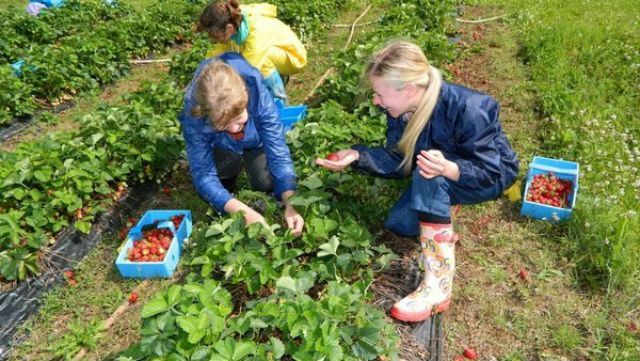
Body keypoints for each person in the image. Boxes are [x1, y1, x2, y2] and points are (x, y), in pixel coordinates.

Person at [315, 40, 519, 322]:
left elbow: (493, 171)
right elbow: (400, 162)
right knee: (400, 224)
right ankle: (442, 207)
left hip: (485, 175)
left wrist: (450, 169)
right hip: (443, 171)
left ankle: (437, 287)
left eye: (379, 93)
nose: (376, 101)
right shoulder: (401, 111)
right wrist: (357, 156)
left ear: (408, 89)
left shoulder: (470, 108)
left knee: (428, 175)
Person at [179, 52, 304, 236]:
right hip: (221, 145)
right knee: (219, 179)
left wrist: (291, 201)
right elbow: (203, 173)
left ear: (246, 96)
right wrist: (239, 210)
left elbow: (278, 152)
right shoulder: (195, 116)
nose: (234, 129)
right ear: (206, 115)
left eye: (239, 119)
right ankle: (228, 187)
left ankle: (268, 194)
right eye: (223, 125)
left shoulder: (257, 93)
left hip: (255, 141)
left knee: (265, 182)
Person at [197, 0, 307, 105]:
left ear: (229, 29)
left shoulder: (256, 31)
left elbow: (250, 69)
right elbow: (217, 52)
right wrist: (204, 71)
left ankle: (280, 101)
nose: (213, 39)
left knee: (262, 64)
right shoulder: (233, 21)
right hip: (272, 53)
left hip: (293, 56)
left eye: (214, 35)